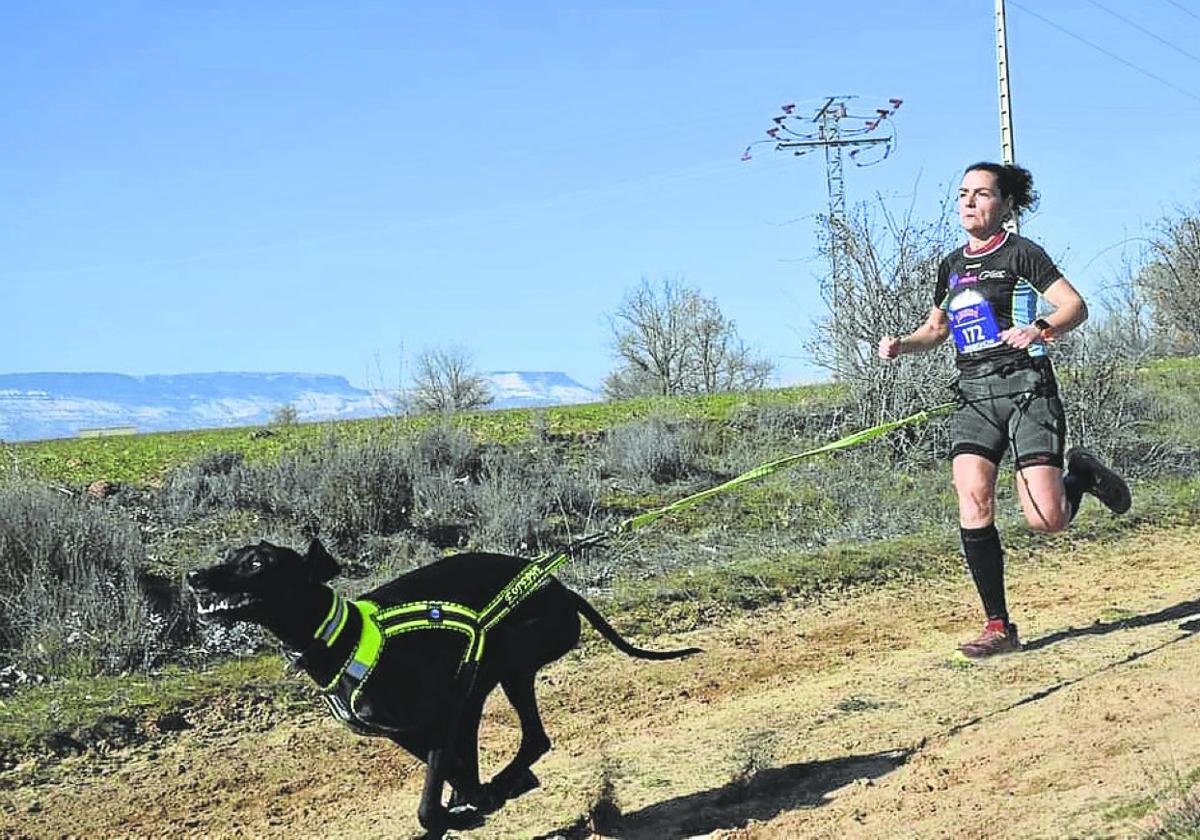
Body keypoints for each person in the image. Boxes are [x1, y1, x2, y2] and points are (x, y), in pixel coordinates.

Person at [878, 162, 1131, 659]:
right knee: (972, 498)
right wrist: (901, 345)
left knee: (1047, 521)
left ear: (1006, 204)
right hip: (974, 393)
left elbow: (1074, 307)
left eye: (982, 194)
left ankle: (1079, 475)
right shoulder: (951, 264)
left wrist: (1039, 328)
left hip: (1026, 389)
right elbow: (936, 330)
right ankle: (998, 626)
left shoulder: (1023, 254)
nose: (969, 202)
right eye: (963, 194)